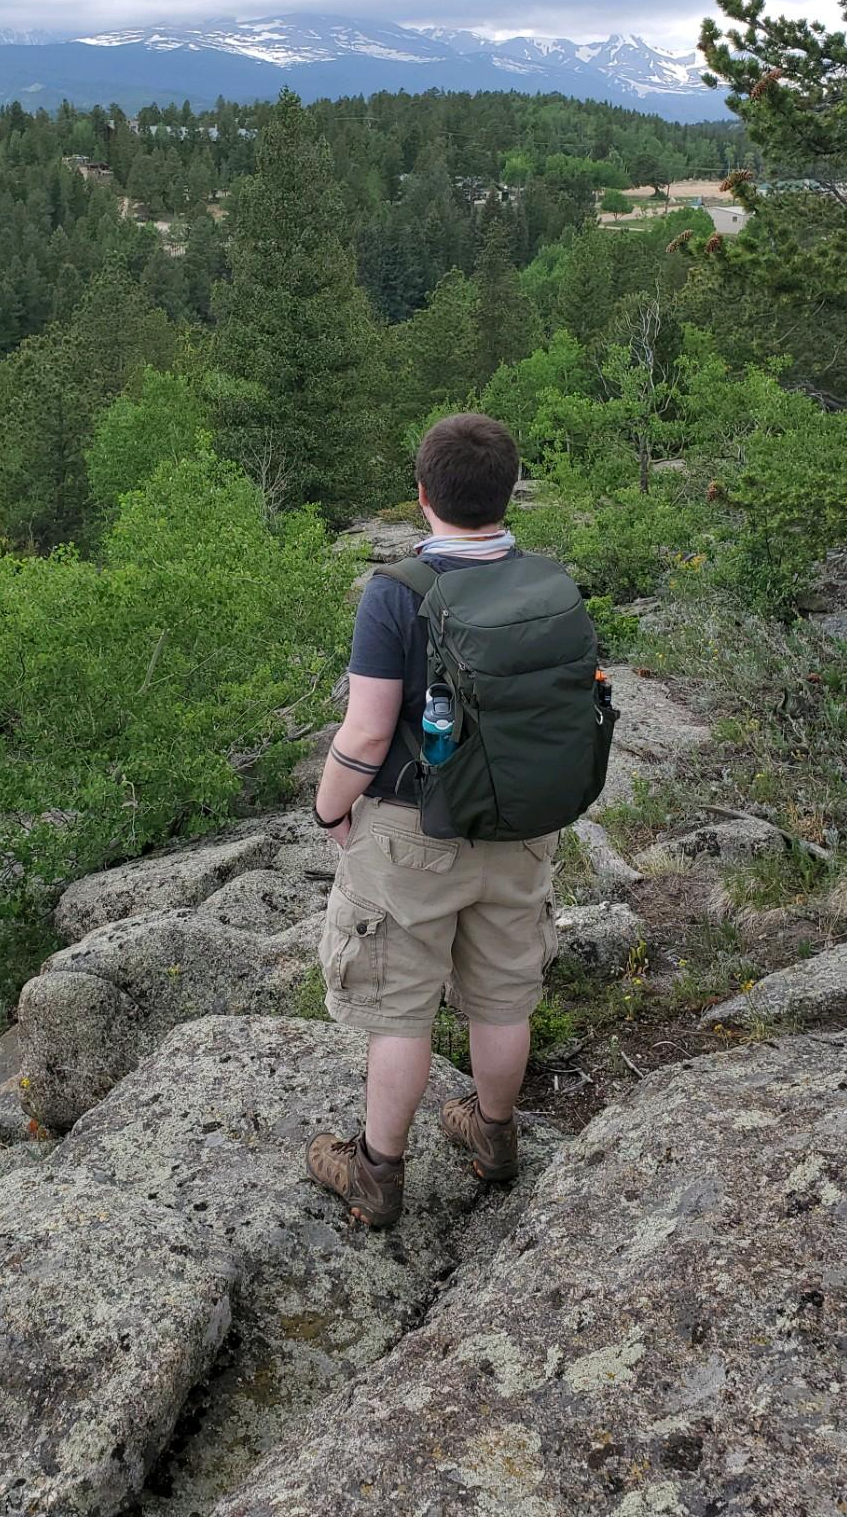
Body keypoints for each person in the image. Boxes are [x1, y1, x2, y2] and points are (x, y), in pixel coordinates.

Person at [306, 412, 561, 1227]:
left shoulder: (396, 593)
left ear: (422, 496)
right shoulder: (545, 580)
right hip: (520, 823)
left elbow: (370, 729)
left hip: (415, 832)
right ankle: (493, 1139)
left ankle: (377, 1178)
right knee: (501, 997)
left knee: (399, 1007)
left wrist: (329, 806)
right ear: (509, 490)